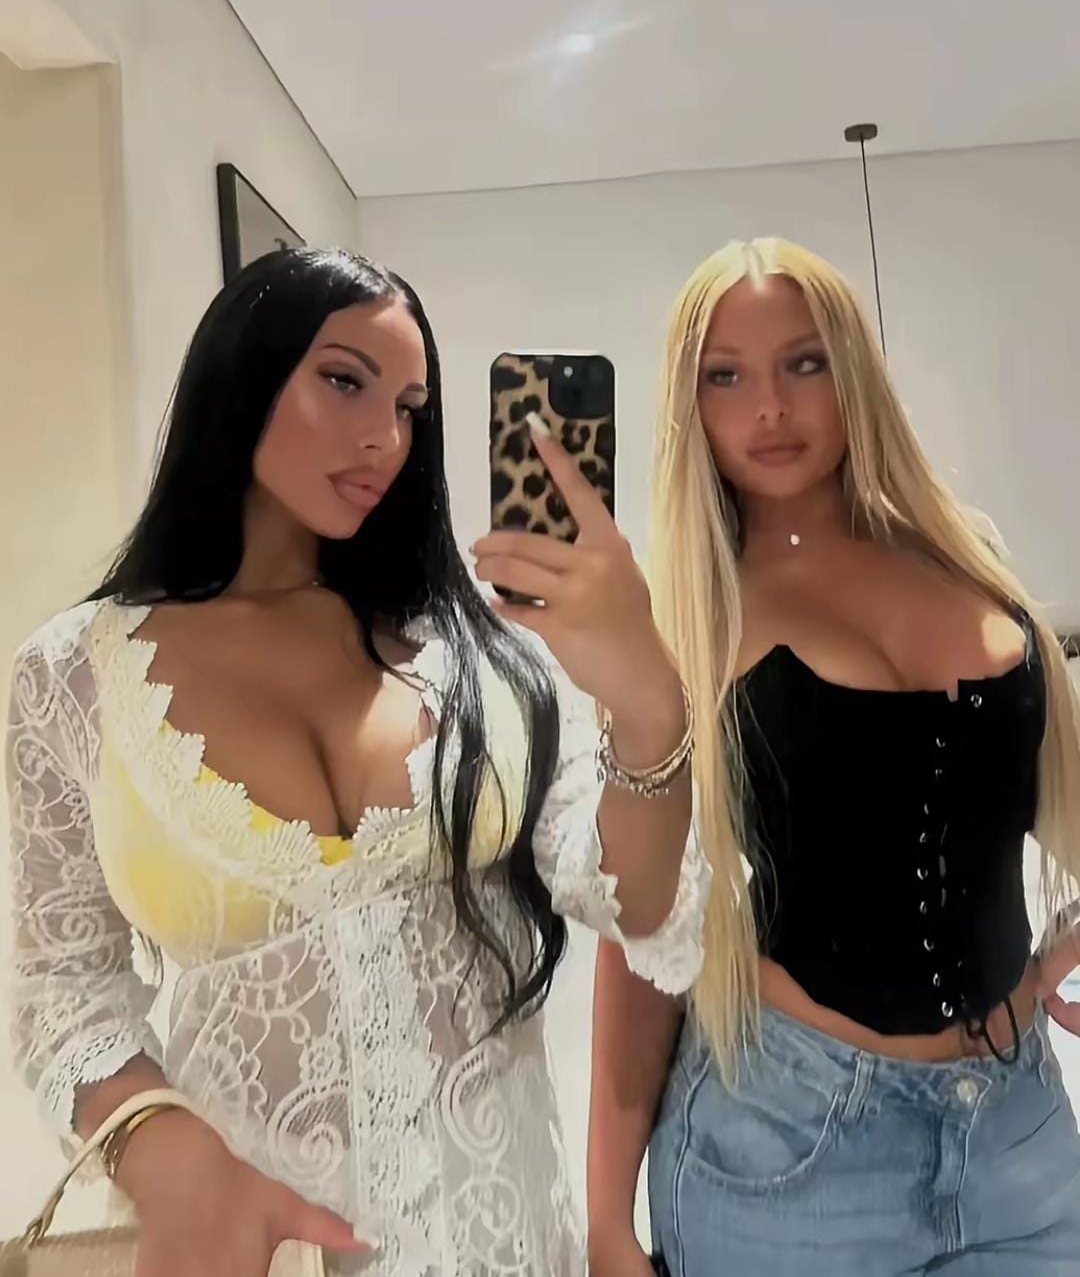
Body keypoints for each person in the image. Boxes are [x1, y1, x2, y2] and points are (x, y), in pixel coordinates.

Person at [5, 247, 708, 1277]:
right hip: (255, 1249)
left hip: (507, 1240)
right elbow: (62, 991)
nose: (386, 437)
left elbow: (638, 902)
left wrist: (647, 699)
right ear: (243, 374)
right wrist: (172, 1159)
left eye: (412, 407)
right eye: (345, 381)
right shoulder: (73, 676)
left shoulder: (483, 661)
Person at [586, 237, 1080, 1277]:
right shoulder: (687, 625)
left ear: (852, 368)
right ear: (690, 403)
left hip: (1017, 1132)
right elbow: (641, 935)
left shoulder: (964, 556)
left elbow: (1040, 782)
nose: (770, 407)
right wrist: (604, 1217)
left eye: (803, 362)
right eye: (726, 376)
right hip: (790, 1147)